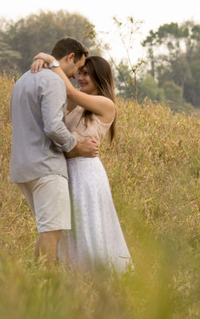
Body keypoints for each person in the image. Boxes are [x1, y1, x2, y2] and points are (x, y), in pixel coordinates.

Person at [32, 52, 132, 274]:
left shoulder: (106, 105)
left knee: (89, 225)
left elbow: (68, 89)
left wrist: (47, 57)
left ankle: (94, 277)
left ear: (100, 77)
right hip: (66, 171)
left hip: (87, 174)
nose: (80, 77)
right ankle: (72, 277)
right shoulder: (76, 108)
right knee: (68, 228)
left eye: (86, 74)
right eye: (80, 73)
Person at [10, 37, 99, 266]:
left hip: (22, 168)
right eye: (77, 68)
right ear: (70, 57)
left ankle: (39, 282)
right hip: (46, 167)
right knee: (52, 231)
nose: (74, 76)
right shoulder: (53, 82)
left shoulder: (23, 80)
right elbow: (53, 126)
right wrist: (77, 147)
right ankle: (44, 286)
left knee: (47, 229)